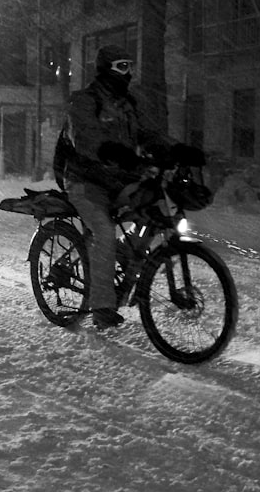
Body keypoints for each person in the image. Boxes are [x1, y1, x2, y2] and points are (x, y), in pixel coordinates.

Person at [58, 45, 175, 329]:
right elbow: (88, 139)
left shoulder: (127, 104)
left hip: (117, 180)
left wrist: (176, 150)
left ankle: (121, 258)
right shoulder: (84, 101)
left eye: (131, 66)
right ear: (106, 69)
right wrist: (114, 152)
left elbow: (147, 134)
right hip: (84, 180)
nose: (129, 73)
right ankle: (101, 308)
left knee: (150, 212)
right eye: (123, 66)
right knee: (104, 233)